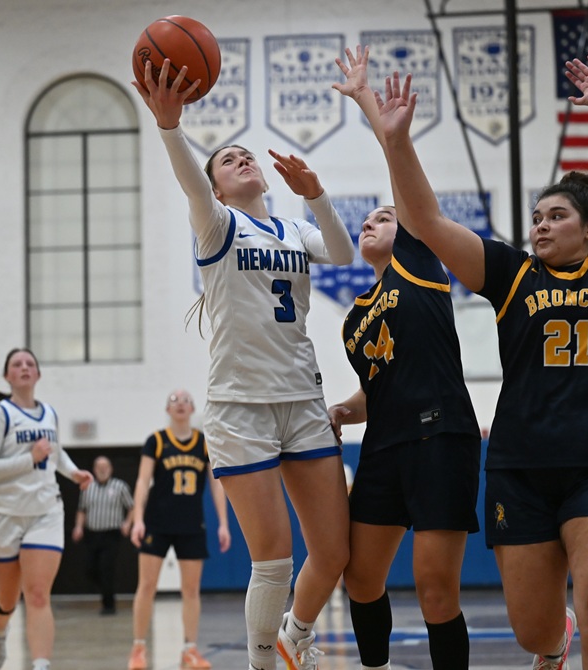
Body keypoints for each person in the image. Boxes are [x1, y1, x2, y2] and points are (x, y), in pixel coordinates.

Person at [366, 55, 588, 670]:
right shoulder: (510, 274)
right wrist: (396, 142)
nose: (541, 225)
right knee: (535, 633)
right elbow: (425, 222)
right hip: (521, 467)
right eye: (536, 217)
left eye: (557, 216)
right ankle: (553, 645)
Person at [133, 59, 355, 670]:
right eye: (228, 161)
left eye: (245, 156)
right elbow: (190, 184)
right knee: (275, 559)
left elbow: (340, 250)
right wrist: (171, 129)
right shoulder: (217, 225)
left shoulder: (290, 227)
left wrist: (315, 194)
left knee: (333, 552)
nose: (242, 161)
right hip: (240, 409)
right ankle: (266, 664)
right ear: (219, 187)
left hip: (304, 403)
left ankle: (293, 638)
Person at [328, 48, 481, 670]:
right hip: (385, 444)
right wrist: (343, 407)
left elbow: (404, 185)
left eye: (383, 216)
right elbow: (375, 390)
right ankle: (376, 665)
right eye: (365, 217)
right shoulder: (354, 317)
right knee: (360, 579)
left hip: (440, 433)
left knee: (435, 589)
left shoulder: (419, 263)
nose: (372, 219)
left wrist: (369, 104)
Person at [0, 347, 93, 670]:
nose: (25, 367)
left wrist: (72, 472)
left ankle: (41, 665)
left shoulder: (49, 413)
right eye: (17, 363)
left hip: (45, 512)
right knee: (8, 599)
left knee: (39, 594)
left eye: (30, 363)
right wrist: (31, 458)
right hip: (2, 515)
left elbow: (55, 452)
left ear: (38, 374)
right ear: (7, 375)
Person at [127, 389, 231, 670]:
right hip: (157, 523)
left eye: (186, 400)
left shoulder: (203, 442)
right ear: (167, 409)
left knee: (191, 590)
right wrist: (138, 519)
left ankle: (190, 649)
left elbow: (216, 483)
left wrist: (223, 523)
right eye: (175, 400)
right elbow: (141, 482)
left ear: (193, 408)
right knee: (146, 586)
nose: (181, 404)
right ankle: (138, 648)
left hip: (191, 524)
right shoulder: (157, 441)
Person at [72, 455, 134, 615]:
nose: (102, 470)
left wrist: (128, 523)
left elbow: (132, 507)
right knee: (90, 569)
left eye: (105, 466)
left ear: (111, 469)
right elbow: (81, 509)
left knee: (107, 568)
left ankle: (109, 605)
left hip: (111, 534)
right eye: (99, 467)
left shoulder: (120, 486)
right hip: (92, 534)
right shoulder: (88, 487)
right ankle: (106, 590)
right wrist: (78, 527)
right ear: (94, 469)